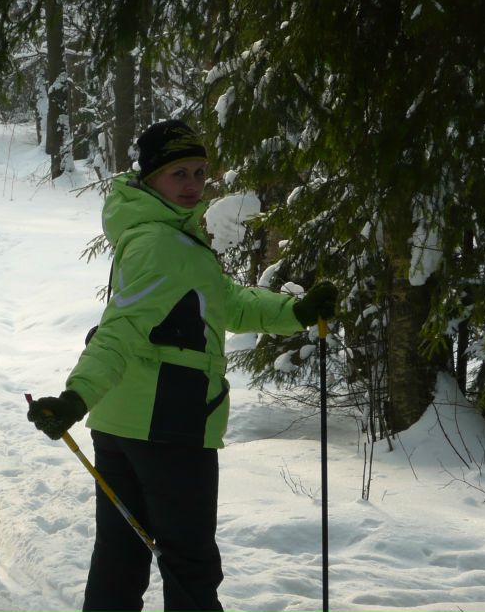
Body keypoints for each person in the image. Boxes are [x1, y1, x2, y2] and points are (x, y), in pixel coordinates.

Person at [28, 119, 337, 612]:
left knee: (121, 559)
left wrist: (292, 313)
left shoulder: (166, 234)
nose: (193, 185)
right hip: (168, 424)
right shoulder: (161, 244)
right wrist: (74, 397)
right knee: (189, 564)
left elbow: (222, 302)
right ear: (151, 178)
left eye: (199, 172)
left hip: (122, 421)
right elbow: (123, 329)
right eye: (179, 174)